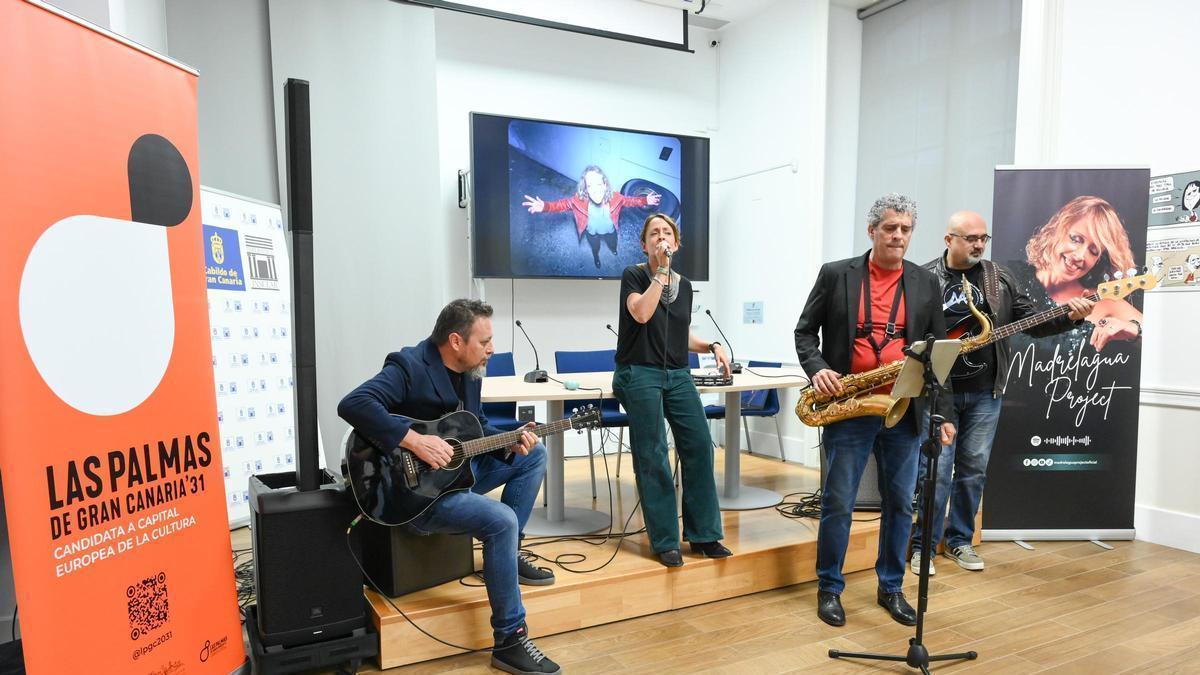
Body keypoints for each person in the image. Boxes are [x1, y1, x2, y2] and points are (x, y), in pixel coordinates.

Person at [337, 299, 560, 675]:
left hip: (457, 478)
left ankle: (504, 558)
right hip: (412, 497)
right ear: (455, 341)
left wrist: (509, 440)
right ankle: (509, 640)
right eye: (485, 340)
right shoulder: (408, 365)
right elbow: (353, 403)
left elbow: (474, 429)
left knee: (533, 457)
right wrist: (413, 440)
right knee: (501, 519)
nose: (492, 349)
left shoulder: (472, 372)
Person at [793, 193, 956, 628]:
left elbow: (940, 355)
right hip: (848, 405)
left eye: (905, 229)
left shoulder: (924, 282)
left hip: (903, 409)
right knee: (838, 502)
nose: (898, 236)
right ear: (872, 231)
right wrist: (818, 370)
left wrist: (946, 415)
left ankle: (891, 587)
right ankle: (829, 587)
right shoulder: (836, 274)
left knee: (902, 504)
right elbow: (805, 333)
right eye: (890, 228)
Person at [911, 211, 1094, 575]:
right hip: (937, 394)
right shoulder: (924, 277)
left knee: (973, 471)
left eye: (983, 238)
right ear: (949, 240)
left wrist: (1070, 316)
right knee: (935, 471)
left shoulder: (1000, 277)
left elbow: (1032, 322)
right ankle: (922, 547)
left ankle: (960, 541)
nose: (979, 244)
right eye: (970, 238)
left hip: (985, 393)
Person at [611, 213, 733, 568]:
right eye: (654, 234)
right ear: (644, 244)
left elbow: (681, 333)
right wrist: (660, 273)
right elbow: (642, 314)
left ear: (676, 243)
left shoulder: (686, 284)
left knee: (698, 446)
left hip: (678, 374)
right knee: (653, 454)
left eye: (667, 233)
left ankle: (705, 534)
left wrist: (711, 346)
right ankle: (665, 539)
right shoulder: (635, 275)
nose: (661, 238)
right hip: (639, 372)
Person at [1019, 195, 1143, 352]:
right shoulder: (1011, 279)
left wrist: (1134, 329)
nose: (1079, 256)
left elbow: (1163, 338)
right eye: (1076, 239)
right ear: (1058, 229)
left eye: (1093, 251)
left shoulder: (1104, 300)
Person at [522, 165, 661, 269]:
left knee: (612, 243)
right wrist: (545, 206)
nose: (595, 190)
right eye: (590, 185)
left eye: (599, 184)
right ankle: (596, 258)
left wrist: (644, 200)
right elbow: (561, 205)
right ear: (586, 188)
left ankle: (613, 249)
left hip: (610, 230)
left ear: (605, 185)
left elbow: (630, 201)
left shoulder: (616, 198)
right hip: (591, 232)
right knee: (595, 248)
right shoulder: (577, 200)